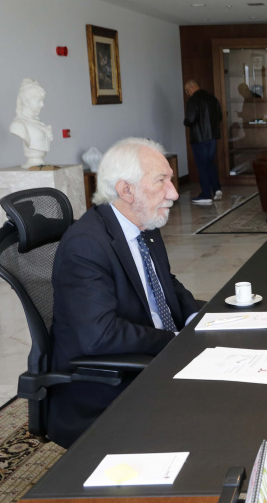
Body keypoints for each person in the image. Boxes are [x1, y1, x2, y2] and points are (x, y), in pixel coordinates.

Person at [48, 137, 200, 448]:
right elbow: (100, 335)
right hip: (109, 384)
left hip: (149, 355)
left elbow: (165, 282)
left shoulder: (143, 223)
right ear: (126, 190)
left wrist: (198, 317)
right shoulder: (85, 246)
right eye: (161, 181)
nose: (173, 193)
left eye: (171, 180)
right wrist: (175, 342)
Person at [183, 80, 223, 204]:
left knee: (202, 165)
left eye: (186, 90)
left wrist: (185, 122)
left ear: (192, 87)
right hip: (212, 137)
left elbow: (190, 119)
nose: (187, 93)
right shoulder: (213, 99)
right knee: (209, 163)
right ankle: (216, 189)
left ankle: (205, 194)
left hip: (199, 138)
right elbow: (220, 117)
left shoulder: (194, 100)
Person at [9, 78, 53, 169]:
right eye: (39, 101)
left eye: (42, 101)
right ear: (26, 101)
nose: (42, 105)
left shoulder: (39, 124)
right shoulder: (19, 125)